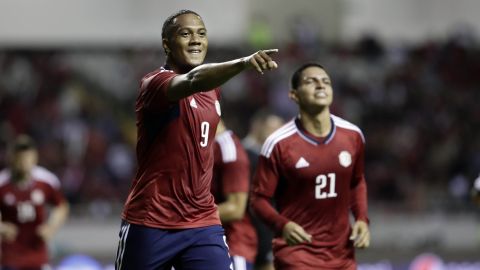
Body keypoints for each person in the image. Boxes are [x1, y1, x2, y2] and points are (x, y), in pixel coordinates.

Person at [115, 9, 278, 270]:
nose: (196, 40)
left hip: (202, 222)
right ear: (167, 44)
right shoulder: (154, 84)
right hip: (152, 220)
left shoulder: (212, 90)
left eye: (201, 34)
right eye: (185, 33)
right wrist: (244, 63)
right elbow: (192, 80)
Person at [250, 63, 370, 269]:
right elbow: (258, 199)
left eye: (325, 82)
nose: (320, 86)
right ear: (294, 95)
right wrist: (283, 225)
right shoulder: (278, 143)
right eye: (310, 81)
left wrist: (361, 219)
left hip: (342, 255)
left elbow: (357, 181)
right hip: (297, 253)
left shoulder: (353, 135)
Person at [0, 134, 69, 270]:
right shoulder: (2, 182)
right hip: (10, 257)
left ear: (35, 157)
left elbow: (61, 206)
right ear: (12, 158)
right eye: (20, 157)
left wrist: (51, 227)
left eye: (27, 156)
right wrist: (2, 228)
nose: (24, 161)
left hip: (38, 256)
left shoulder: (46, 181)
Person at [211, 120, 257, 270]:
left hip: (231, 246)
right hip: (201, 243)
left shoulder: (227, 148)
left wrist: (186, 218)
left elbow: (235, 208)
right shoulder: (195, 144)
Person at [242, 109, 284, 270]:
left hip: (268, 233)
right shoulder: (243, 154)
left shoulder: (272, 156)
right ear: (257, 126)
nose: (277, 134)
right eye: (273, 129)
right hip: (248, 234)